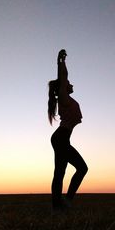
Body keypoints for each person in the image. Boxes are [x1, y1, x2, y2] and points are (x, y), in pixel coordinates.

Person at [48, 49, 88, 213]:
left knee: (60, 171)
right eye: (68, 83)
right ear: (63, 87)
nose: (71, 84)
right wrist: (61, 61)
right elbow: (63, 77)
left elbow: (63, 79)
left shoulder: (65, 98)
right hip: (61, 137)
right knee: (82, 168)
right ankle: (65, 201)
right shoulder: (63, 96)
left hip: (62, 137)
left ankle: (58, 205)